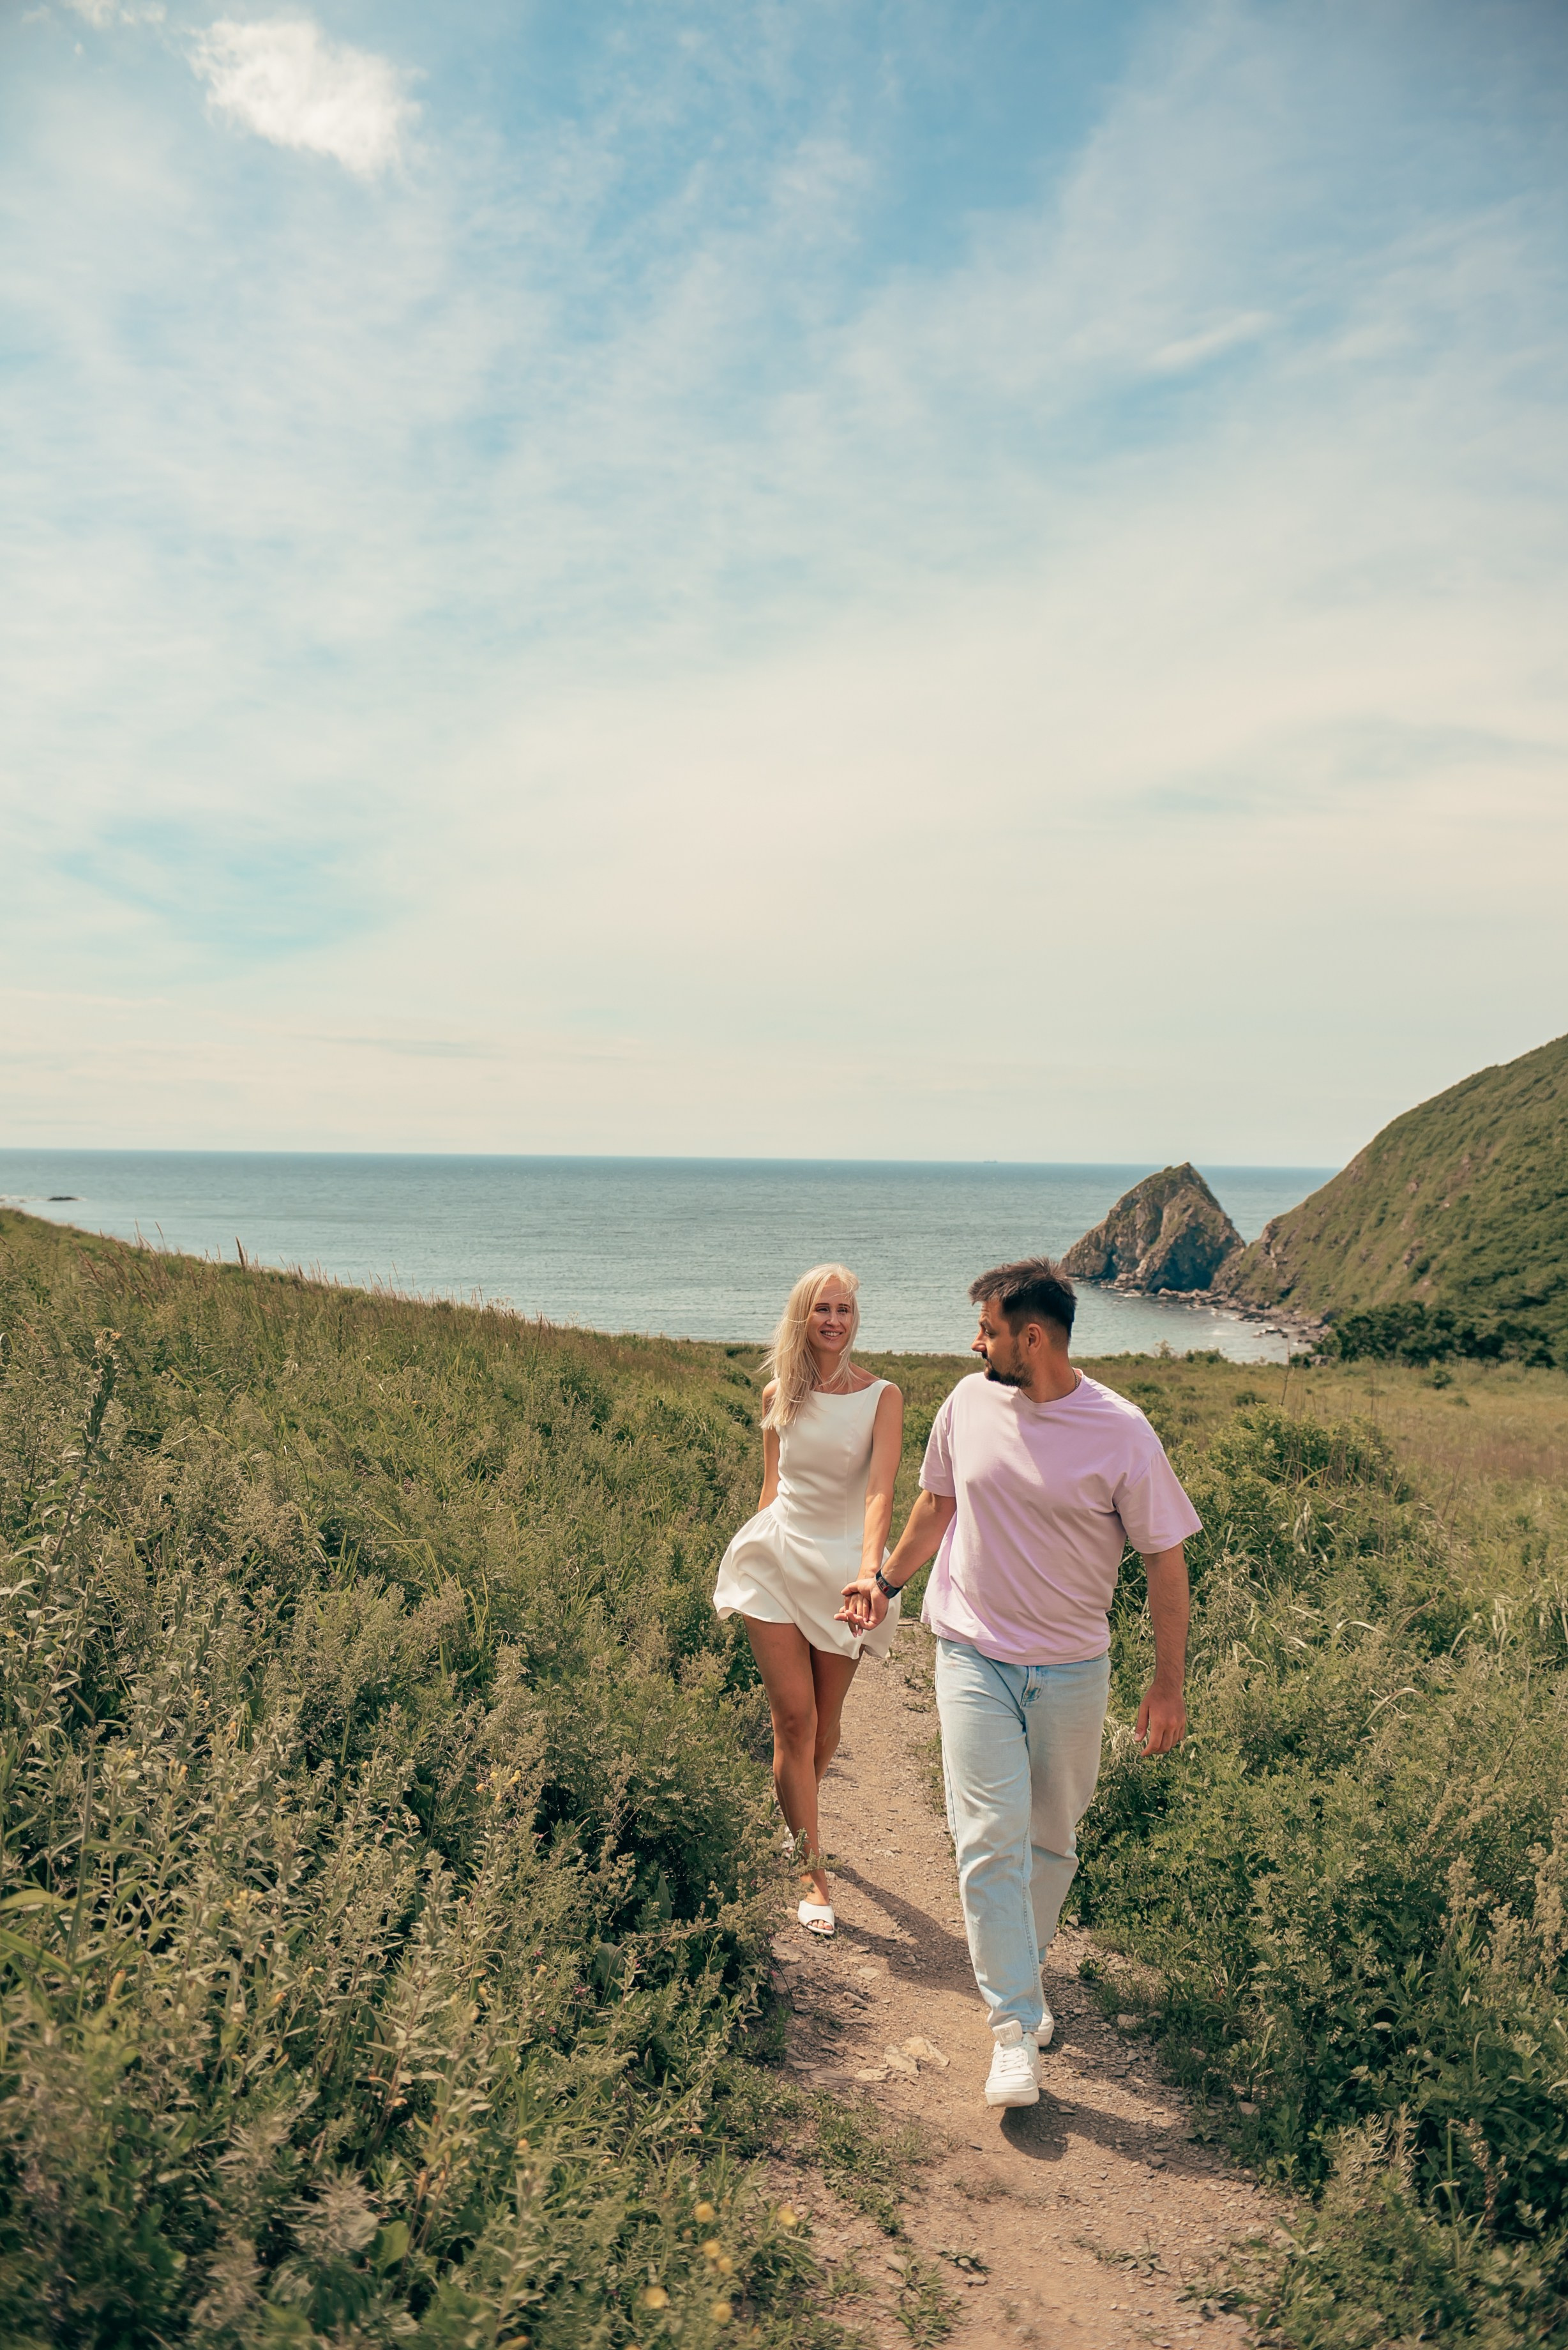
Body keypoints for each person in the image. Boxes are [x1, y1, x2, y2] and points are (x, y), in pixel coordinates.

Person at [839, 1257, 1199, 2107]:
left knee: (1050, 1841)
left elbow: (1165, 1563)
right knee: (987, 1840)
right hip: (971, 1651)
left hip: (1074, 1667)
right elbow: (936, 1505)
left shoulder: (1122, 1431)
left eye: (988, 1331)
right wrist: (887, 1584)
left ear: (1029, 1339)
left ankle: (1021, 1981)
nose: (976, 1344)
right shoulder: (968, 1405)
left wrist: (1168, 1684)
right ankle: (1012, 2030)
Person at [714, 1263, 904, 1937]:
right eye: (822, 1308)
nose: (833, 1319)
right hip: (773, 1559)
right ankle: (810, 1867)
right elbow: (772, 1488)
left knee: (824, 1722)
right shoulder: (778, 1393)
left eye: (844, 1309)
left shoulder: (882, 1395)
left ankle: (799, 1812)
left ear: (855, 1319)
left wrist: (870, 1575)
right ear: (803, 1316)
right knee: (791, 1719)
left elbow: (880, 1490)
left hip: (843, 1573)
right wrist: (744, 1554)